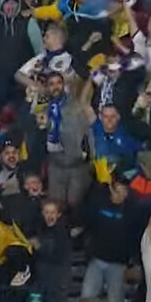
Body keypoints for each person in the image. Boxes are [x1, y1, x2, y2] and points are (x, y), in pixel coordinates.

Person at [81, 176, 138, 302]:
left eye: (125, 191)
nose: (122, 195)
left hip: (118, 264)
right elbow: (86, 217)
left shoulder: (132, 211)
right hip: (97, 259)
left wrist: (131, 261)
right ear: (111, 190)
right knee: (87, 297)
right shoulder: (99, 202)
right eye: (118, 191)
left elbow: (135, 236)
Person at [40, 71, 92, 212]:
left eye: (58, 83)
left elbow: (89, 133)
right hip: (55, 166)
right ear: (47, 87)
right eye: (51, 84)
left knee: (75, 205)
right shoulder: (42, 108)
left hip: (76, 166)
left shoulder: (76, 106)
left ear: (63, 85)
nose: (56, 87)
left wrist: (90, 158)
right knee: (57, 207)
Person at [30, 198, 71, 302]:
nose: (49, 216)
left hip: (55, 283)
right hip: (38, 281)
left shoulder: (62, 232)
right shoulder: (38, 229)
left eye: (52, 212)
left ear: (58, 214)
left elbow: (58, 256)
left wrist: (39, 247)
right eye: (47, 212)